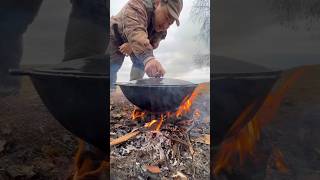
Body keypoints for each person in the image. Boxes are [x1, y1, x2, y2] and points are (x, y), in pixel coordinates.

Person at [108, 0, 183, 89]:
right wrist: (149, 59)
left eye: (170, 23)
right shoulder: (137, 5)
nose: (165, 26)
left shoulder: (161, 30)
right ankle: (110, 90)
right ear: (158, 3)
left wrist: (133, 47)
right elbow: (135, 30)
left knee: (141, 62)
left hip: (136, 41)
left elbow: (151, 45)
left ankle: (134, 88)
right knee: (113, 65)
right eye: (166, 17)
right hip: (115, 35)